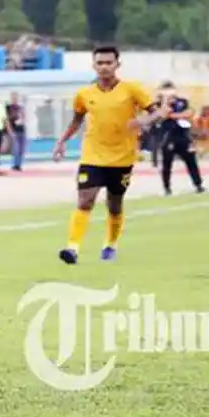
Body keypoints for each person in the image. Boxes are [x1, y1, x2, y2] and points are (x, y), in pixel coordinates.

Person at [52, 46, 158, 264]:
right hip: (93, 155)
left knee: (114, 204)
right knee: (85, 200)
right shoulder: (84, 94)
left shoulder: (132, 89)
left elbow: (157, 112)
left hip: (122, 156)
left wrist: (143, 121)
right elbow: (77, 119)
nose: (104, 67)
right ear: (94, 65)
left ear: (117, 65)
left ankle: (110, 244)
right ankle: (72, 248)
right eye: (100, 63)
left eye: (109, 63)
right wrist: (62, 141)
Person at [156, 81, 205, 196]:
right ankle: (167, 187)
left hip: (183, 135)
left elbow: (189, 113)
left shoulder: (182, 102)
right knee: (167, 164)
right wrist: (165, 103)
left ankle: (198, 184)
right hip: (168, 136)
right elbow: (161, 115)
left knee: (191, 161)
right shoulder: (159, 103)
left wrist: (174, 115)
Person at [6, 92, 27, 171]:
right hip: (14, 130)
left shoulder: (20, 107)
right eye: (13, 97)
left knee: (21, 149)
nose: (15, 99)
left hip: (21, 130)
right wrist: (10, 131)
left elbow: (24, 118)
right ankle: (15, 164)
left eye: (16, 97)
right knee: (16, 148)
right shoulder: (8, 108)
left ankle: (19, 164)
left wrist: (23, 117)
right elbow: (7, 120)